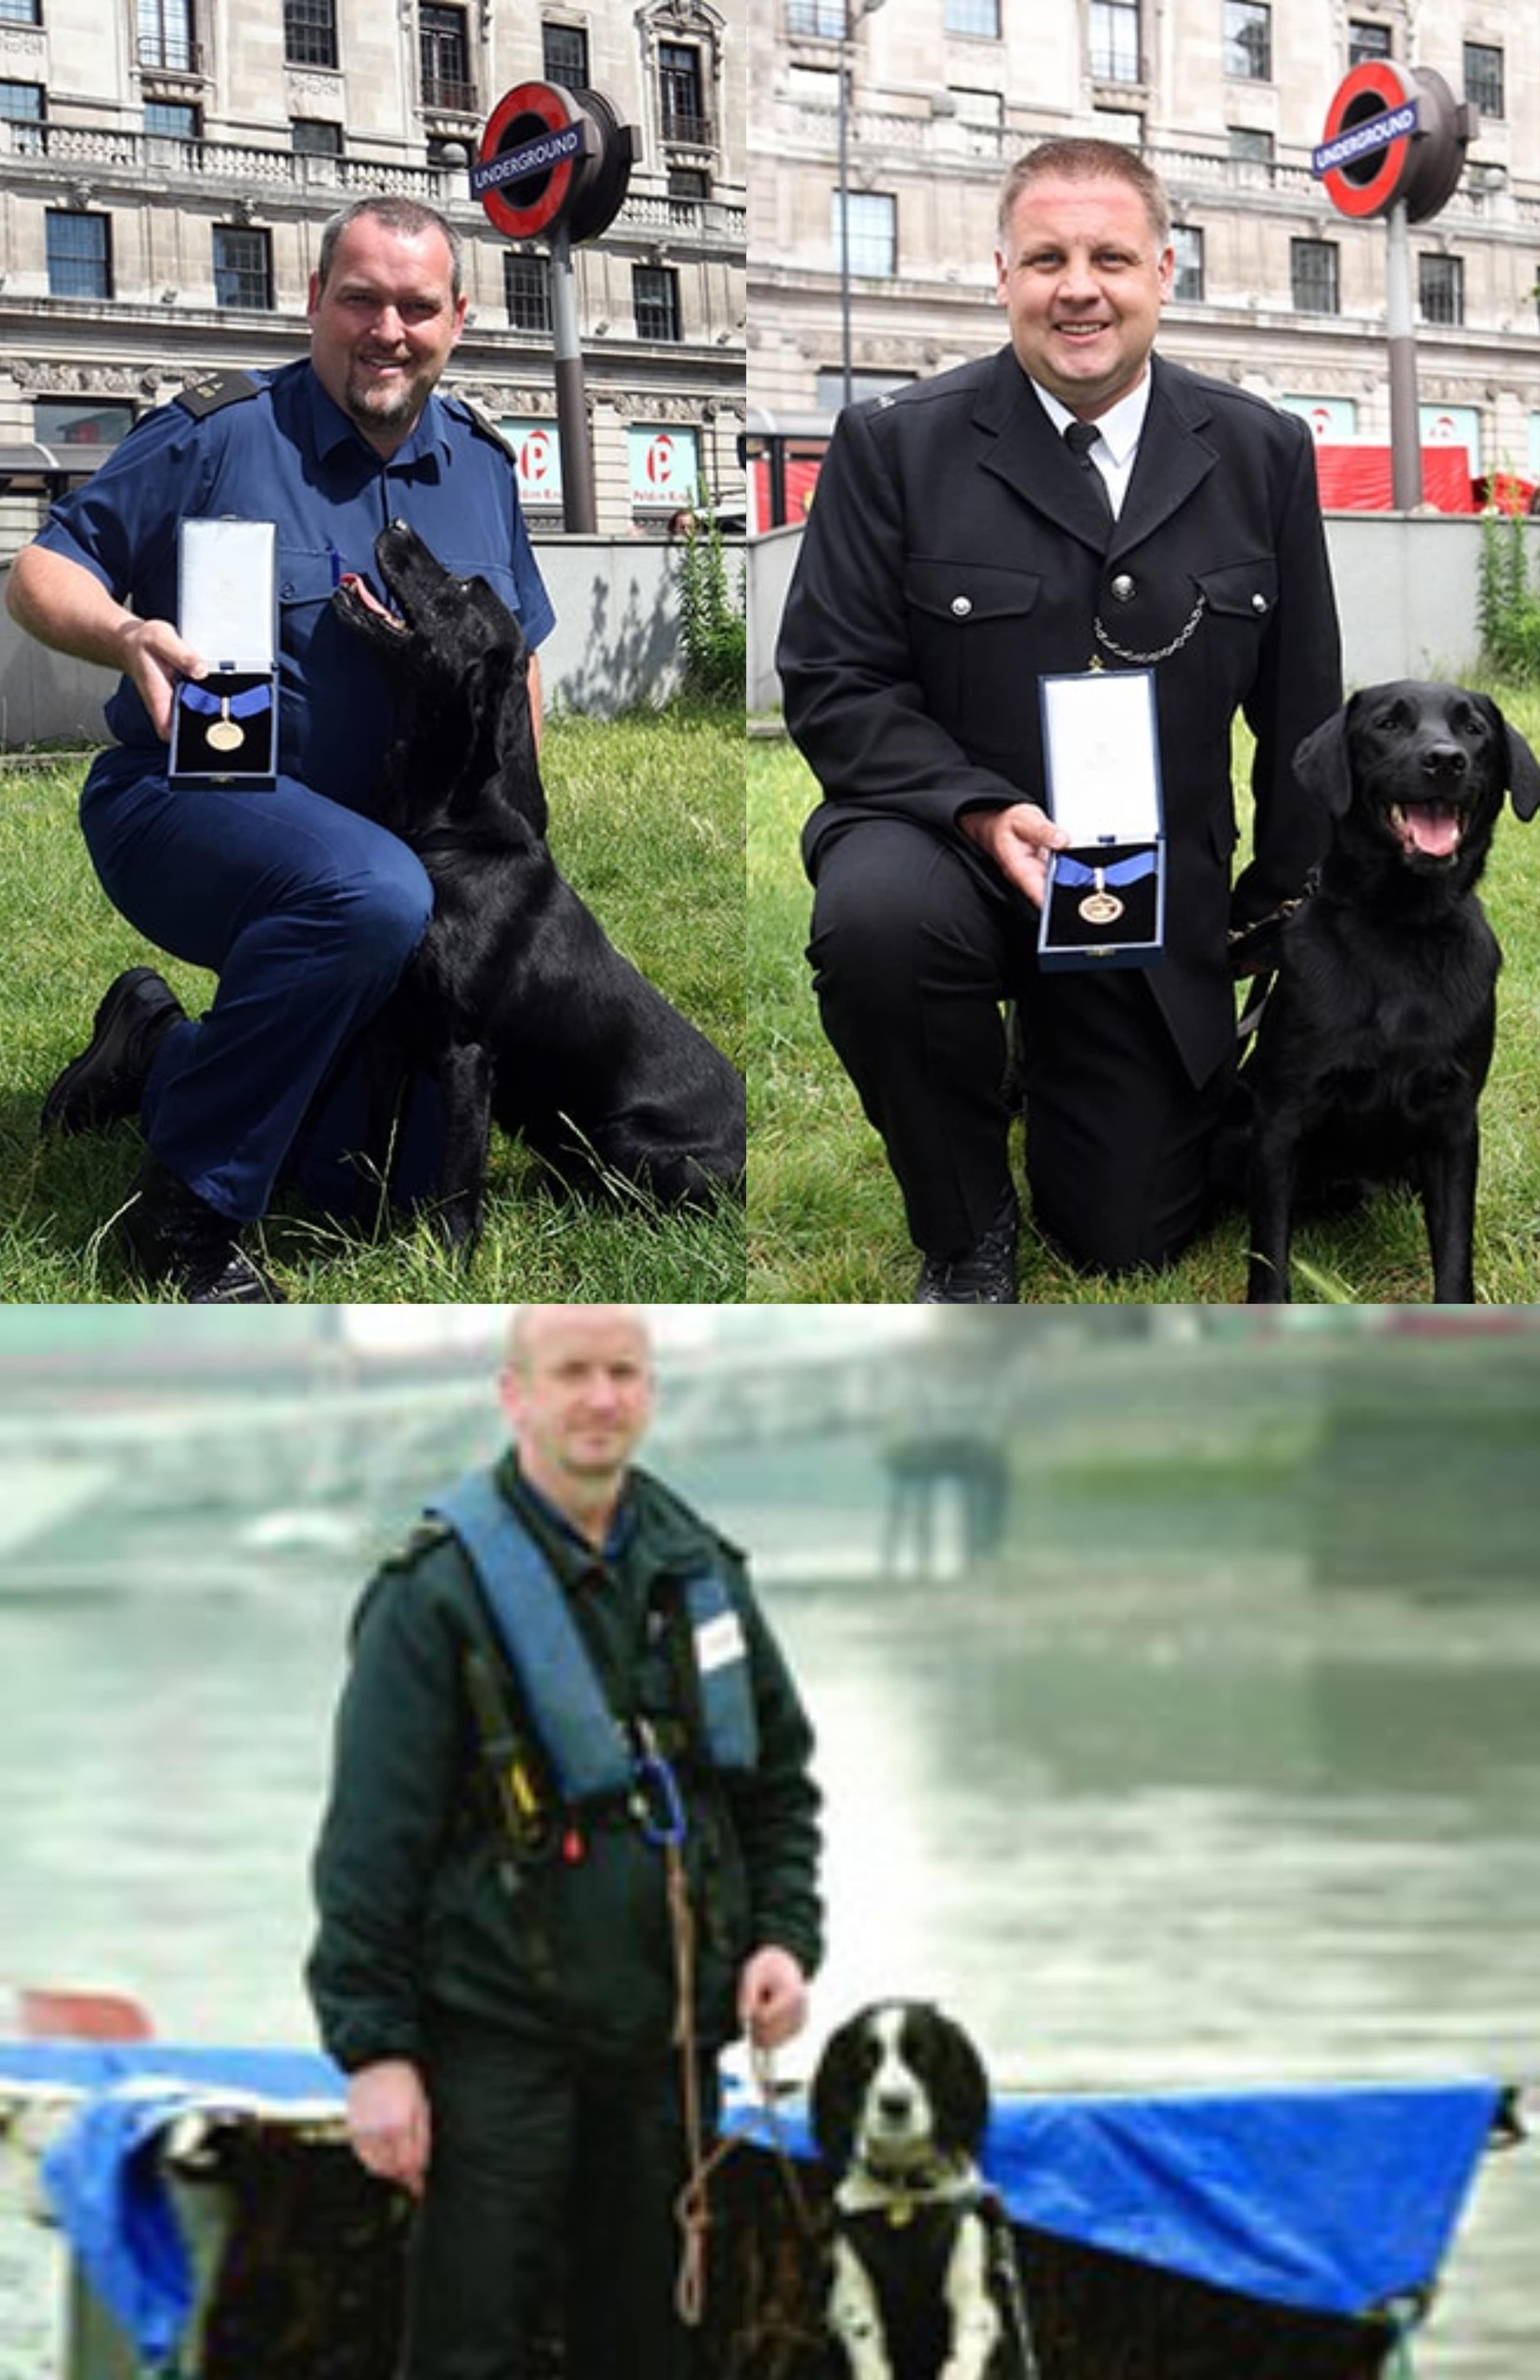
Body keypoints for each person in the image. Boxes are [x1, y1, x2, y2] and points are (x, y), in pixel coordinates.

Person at [777, 138, 1343, 1301]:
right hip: (943, 843)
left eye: (1109, 258)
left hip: (1141, 886)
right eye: (1046, 258)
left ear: (1164, 273)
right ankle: (964, 1229)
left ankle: (1060, 1065)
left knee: (1124, 1235)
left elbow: (1302, 706)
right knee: (881, 928)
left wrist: (1277, 911)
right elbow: (833, 679)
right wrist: (980, 813)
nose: (1077, 287)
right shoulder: (895, 446)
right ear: (1001, 275)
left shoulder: (1262, 452)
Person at [5, 195, 554, 1302]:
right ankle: (190, 1222)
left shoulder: (485, 467)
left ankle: (154, 1047)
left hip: (390, 859)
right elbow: (39, 570)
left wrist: (519, 844)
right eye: (359, 300)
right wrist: (123, 632)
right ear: (314, 303)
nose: (385, 330)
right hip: (192, 801)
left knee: (365, 1186)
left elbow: (517, 661)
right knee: (369, 893)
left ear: (459, 318)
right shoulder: (220, 432)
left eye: (414, 306)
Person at [306, 1304, 823, 2380]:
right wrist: (377, 2055)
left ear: (651, 1391)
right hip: (493, 2045)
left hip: (667, 2052)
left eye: (624, 1373)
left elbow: (777, 1789)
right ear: (516, 1394)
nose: (601, 1398)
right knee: (471, 2352)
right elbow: (368, 1848)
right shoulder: (432, 1595)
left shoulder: (703, 1573)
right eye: (573, 1372)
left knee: (653, 2350)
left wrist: (782, 1941)